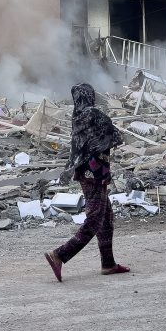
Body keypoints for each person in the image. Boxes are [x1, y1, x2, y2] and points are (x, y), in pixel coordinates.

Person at [44, 83, 130, 282]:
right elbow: (115, 134)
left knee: (106, 217)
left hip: (84, 171)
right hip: (95, 173)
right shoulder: (93, 113)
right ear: (90, 96)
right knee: (95, 219)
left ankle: (108, 263)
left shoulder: (77, 117)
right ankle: (59, 255)